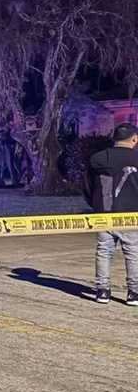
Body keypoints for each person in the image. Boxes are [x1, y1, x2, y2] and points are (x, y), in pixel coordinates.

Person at [85, 123, 138, 305]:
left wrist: (96, 205)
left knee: (104, 252)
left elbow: (88, 186)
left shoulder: (99, 158)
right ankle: (134, 294)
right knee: (133, 253)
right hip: (132, 215)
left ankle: (103, 292)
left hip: (105, 214)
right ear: (134, 139)